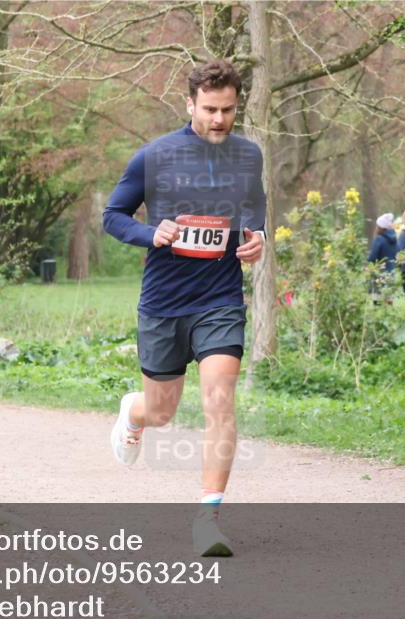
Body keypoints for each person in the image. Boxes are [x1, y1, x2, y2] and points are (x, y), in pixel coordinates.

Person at [103, 60, 266, 557]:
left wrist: (255, 239)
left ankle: (207, 520)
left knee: (220, 401)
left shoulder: (248, 156)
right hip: (165, 303)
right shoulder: (155, 157)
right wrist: (152, 233)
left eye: (229, 110)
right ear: (190, 104)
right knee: (162, 411)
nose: (219, 119)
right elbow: (112, 216)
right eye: (211, 109)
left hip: (219, 298)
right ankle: (133, 413)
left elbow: (254, 211)